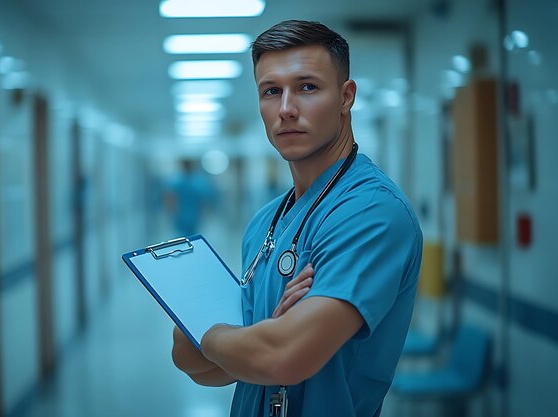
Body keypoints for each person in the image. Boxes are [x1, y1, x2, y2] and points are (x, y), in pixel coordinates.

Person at [171, 20, 423, 417]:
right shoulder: (265, 222)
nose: (286, 109)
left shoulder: (373, 211)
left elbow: (284, 356)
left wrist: (235, 337)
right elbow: (191, 362)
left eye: (307, 87)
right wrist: (258, 338)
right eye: (271, 91)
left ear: (346, 97)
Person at [163, 159, 216, 236]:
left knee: (180, 236)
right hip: (194, 216)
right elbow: (204, 201)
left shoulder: (176, 181)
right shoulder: (199, 182)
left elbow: (170, 199)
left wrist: (170, 211)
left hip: (180, 215)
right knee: (193, 237)